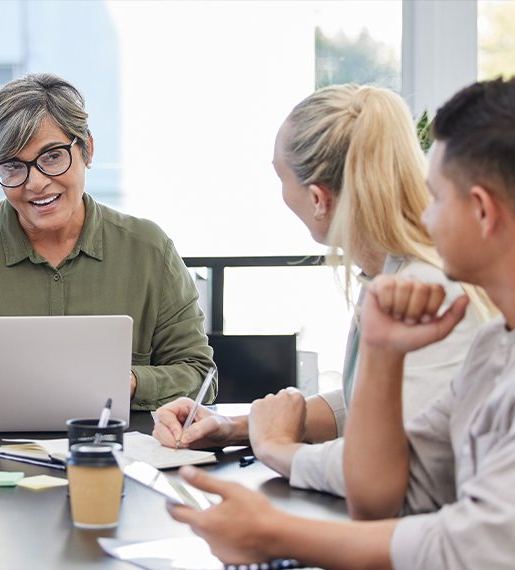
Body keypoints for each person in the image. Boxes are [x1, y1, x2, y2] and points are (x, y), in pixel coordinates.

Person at [168, 77, 515, 570]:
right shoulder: (499, 348)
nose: (422, 213)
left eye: (434, 196)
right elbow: (395, 487)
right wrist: (384, 353)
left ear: (482, 211)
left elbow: (457, 548)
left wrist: (272, 523)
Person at [154, 84, 494, 498]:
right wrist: (236, 427)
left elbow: (393, 472)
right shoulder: (391, 274)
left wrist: (278, 448)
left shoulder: (426, 292)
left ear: (318, 198)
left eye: (280, 176)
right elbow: (373, 409)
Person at [0, 73, 215, 411]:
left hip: (114, 454)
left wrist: (125, 383)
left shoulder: (150, 252)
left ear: (87, 149)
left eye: (52, 156)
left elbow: (199, 376)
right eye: (12, 166)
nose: (36, 183)